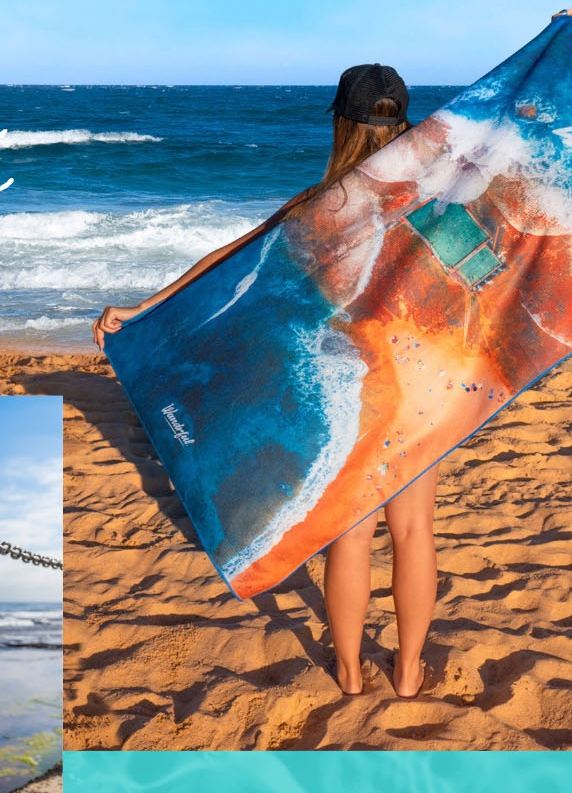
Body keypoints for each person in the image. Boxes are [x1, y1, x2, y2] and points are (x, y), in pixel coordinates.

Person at [92, 61, 438, 698]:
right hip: (423, 379)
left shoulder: (321, 205)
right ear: (406, 120)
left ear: (341, 122)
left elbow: (229, 262)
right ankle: (411, 672)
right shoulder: (435, 199)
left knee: (350, 530)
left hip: (357, 381)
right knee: (414, 527)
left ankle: (351, 672)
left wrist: (144, 310)